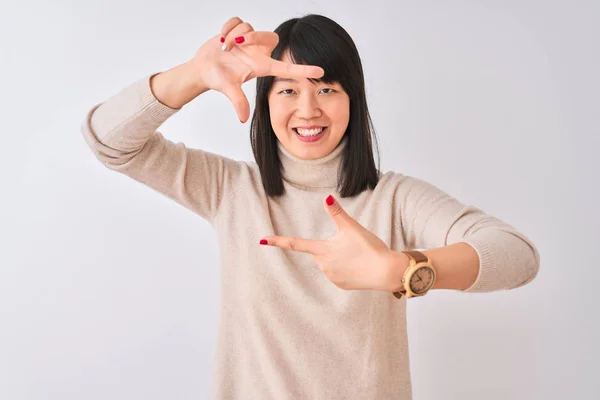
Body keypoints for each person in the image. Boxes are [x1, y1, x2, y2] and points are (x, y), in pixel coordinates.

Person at [80, 14, 540, 400]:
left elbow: (516, 255)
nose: (308, 110)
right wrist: (195, 74)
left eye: (326, 88)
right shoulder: (230, 188)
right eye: (287, 90)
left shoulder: (394, 198)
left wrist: (401, 270)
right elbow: (108, 142)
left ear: (352, 101)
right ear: (265, 102)